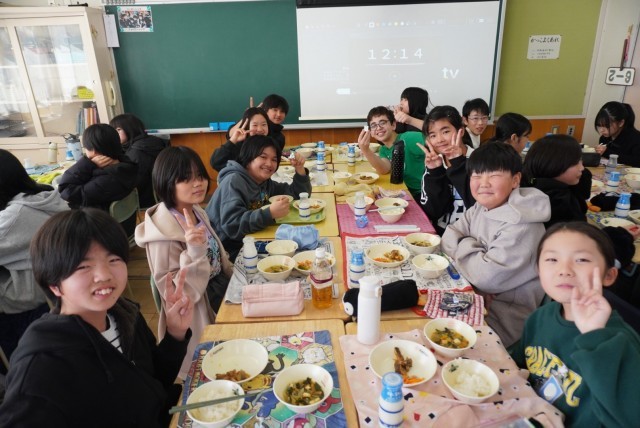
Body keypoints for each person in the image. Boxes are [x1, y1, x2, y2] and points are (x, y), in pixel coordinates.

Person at [0, 208, 192, 427]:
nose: (104, 275)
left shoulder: (125, 315)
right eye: (83, 266)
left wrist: (175, 333)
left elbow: (153, 382)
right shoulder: (41, 367)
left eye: (113, 259)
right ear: (54, 284)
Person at [510, 222, 640, 426]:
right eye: (552, 259)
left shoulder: (621, 343)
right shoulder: (540, 317)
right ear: (538, 270)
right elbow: (515, 365)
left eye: (581, 260)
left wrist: (594, 335)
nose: (564, 270)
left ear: (609, 275)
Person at [135, 146, 233, 378]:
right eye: (185, 179)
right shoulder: (163, 236)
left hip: (220, 290)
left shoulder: (195, 210)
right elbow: (178, 295)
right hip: (200, 309)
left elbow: (217, 256)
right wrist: (195, 250)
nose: (198, 183)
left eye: (199, 175)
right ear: (167, 183)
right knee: (218, 370)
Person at [441, 142, 551, 347]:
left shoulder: (522, 224)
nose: (483, 183)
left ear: (515, 180)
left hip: (502, 318)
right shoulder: (481, 207)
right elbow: (448, 238)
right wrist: (477, 261)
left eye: (494, 175)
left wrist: (465, 245)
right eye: (476, 175)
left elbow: (486, 277)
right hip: (474, 295)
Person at [0, 150, 69, 370]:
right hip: (58, 284)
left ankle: (12, 373)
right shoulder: (47, 194)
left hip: (31, 297)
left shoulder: (14, 218)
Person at [206, 135, 311, 261]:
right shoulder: (233, 181)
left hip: (249, 240)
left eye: (274, 159)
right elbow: (232, 225)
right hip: (224, 251)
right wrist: (269, 213)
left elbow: (299, 195)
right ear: (248, 157)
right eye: (263, 157)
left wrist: (299, 169)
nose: (269, 163)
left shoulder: (264, 182)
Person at [57, 124, 138, 236]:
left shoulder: (106, 179)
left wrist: (87, 163)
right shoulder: (126, 165)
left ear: (93, 150)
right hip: (125, 227)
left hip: (103, 234)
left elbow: (66, 190)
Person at [416, 105, 475, 235]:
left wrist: (458, 163)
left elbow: (478, 205)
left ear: (461, 131)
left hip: (471, 237)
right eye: (433, 135)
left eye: (445, 132)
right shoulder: (435, 163)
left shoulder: (480, 161)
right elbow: (433, 212)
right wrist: (435, 172)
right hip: (440, 234)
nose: (440, 140)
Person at [357, 106, 426, 200]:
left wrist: (410, 120)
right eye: (373, 125)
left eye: (382, 122)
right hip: (404, 193)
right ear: (371, 132)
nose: (378, 128)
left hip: (421, 194)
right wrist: (366, 150)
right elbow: (384, 169)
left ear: (393, 125)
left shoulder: (408, 138)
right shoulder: (384, 149)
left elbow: (435, 135)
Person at [109, 113, 168, 208]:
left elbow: (134, 184)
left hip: (146, 201)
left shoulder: (136, 152)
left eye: (118, 130)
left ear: (130, 129)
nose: (115, 134)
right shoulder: (154, 141)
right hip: (161, 196)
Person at [210, 107, 272, 172]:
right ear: (247, 126)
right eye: (255, 125)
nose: (260, 129)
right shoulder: (240, 148)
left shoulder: (270, 145)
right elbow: (216, 162)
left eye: (264, 124)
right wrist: (233, 140)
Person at [594, 101, 640, 167]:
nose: (601, 130)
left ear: (621, 123)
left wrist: (607, 152)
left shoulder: (636, 138)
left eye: (606, 126)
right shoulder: (604, 138)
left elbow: (637, 161)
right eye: (599, 125)